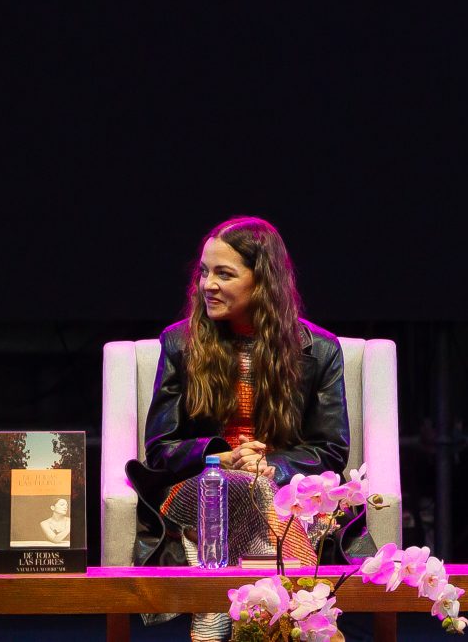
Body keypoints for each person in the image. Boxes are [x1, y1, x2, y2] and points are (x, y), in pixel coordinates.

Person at [125, 217, 351, 642]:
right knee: (240, 484)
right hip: (197, 490)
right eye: (204, 272)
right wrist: (219, 456)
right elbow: (160, 449)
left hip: (285, 496)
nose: (208, 284)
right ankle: (302, 612)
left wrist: (271, 465)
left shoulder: (318, 351)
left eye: (224, 273)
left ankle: (220, 605)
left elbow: (330, 449)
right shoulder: (179, 344)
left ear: (262, 281)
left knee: (256, 486)